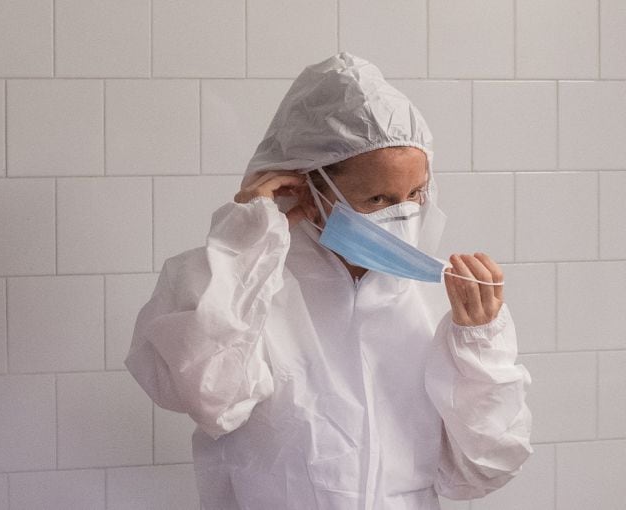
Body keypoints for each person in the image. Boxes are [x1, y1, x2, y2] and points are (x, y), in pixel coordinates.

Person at [124, 52, 532, 510]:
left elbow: (487, 466)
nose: (404, 212)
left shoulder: (443, 298)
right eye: (377, 197)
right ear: (309, 189)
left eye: (415, 193)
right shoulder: (241, 286)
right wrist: (244, 244)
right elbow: (209, 398)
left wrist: (479, 346)